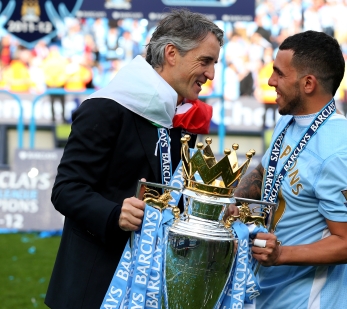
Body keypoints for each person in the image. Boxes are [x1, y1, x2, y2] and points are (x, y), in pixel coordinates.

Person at [45, 10, 223, 309]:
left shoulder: (181, 116)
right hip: (96, 286)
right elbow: (66, 189)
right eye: (205, 61)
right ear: (171, 54)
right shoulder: (106, 108)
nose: (211, 74)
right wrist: (115, 214)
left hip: (154, 286)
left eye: (214, 63)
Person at [234, 31, 347, 309]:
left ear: (308, 83)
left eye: (279, 73)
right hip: (265, 291)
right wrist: (230, 202)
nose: (270, 81)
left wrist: (280, 254)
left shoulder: (338, 153)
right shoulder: (290, 119)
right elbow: (265, 171)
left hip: (305, 302)